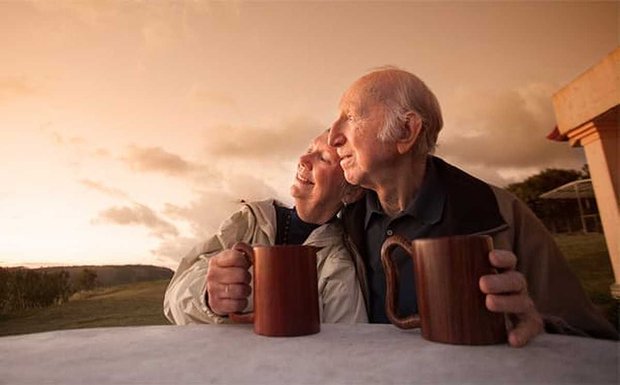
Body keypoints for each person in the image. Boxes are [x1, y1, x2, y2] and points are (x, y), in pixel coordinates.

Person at [327, 67, 618, 346]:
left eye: (351, 117)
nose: (333, 137)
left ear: (406, 131)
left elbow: (595, 341)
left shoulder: (501, 212)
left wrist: (540, 328)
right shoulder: (345, 222)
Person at [164, 131, 367, 324]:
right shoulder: (250, 222)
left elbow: (346, 345)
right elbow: (173, 301)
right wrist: (207, 296)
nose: (304, 159)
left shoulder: (338, 264)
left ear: (351, 192)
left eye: (323, 158)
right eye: (309, 149)